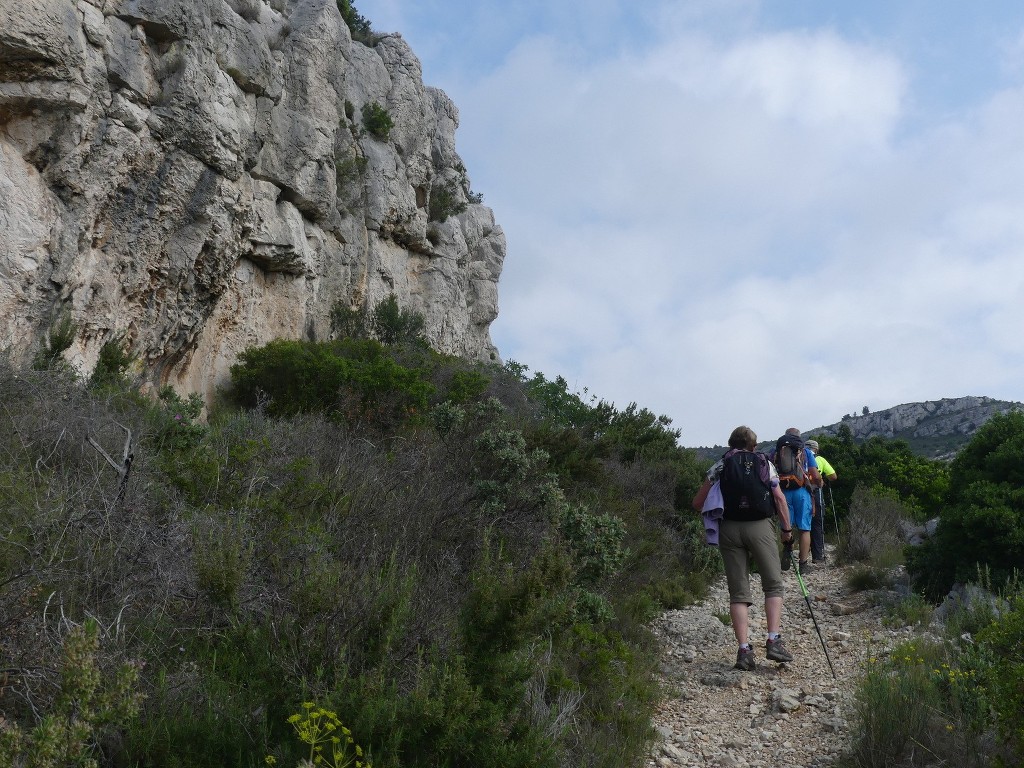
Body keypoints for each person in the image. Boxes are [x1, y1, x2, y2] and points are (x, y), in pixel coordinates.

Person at [692, 426, 795, 671]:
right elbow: (779, 498)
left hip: (729, 529)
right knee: (773, 584)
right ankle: (773, 640)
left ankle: (744, 650)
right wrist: (786, 530)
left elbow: (697, 503)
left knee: (739, 592)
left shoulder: (720, 465)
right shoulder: (764, 463)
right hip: (760, 527)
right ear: (753, 446)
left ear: (731, 444)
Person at [770, 428, 821, 574]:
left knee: (787, 526)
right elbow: (815, 474)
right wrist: (818, 484)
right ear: (799, 438)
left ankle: (788, 551)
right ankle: (803, 564)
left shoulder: (776, 451)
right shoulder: (806, 452)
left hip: (782, 492)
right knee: (805, 529)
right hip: (802, 492)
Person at [806, 439, 837, 564]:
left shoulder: (798, 458)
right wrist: (822, 477)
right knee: (817, 523)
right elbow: (833, 476)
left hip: (798, 491)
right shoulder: (820, 459)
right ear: (816, 449)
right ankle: (817, 556)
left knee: (802, 524)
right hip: (815, 492)